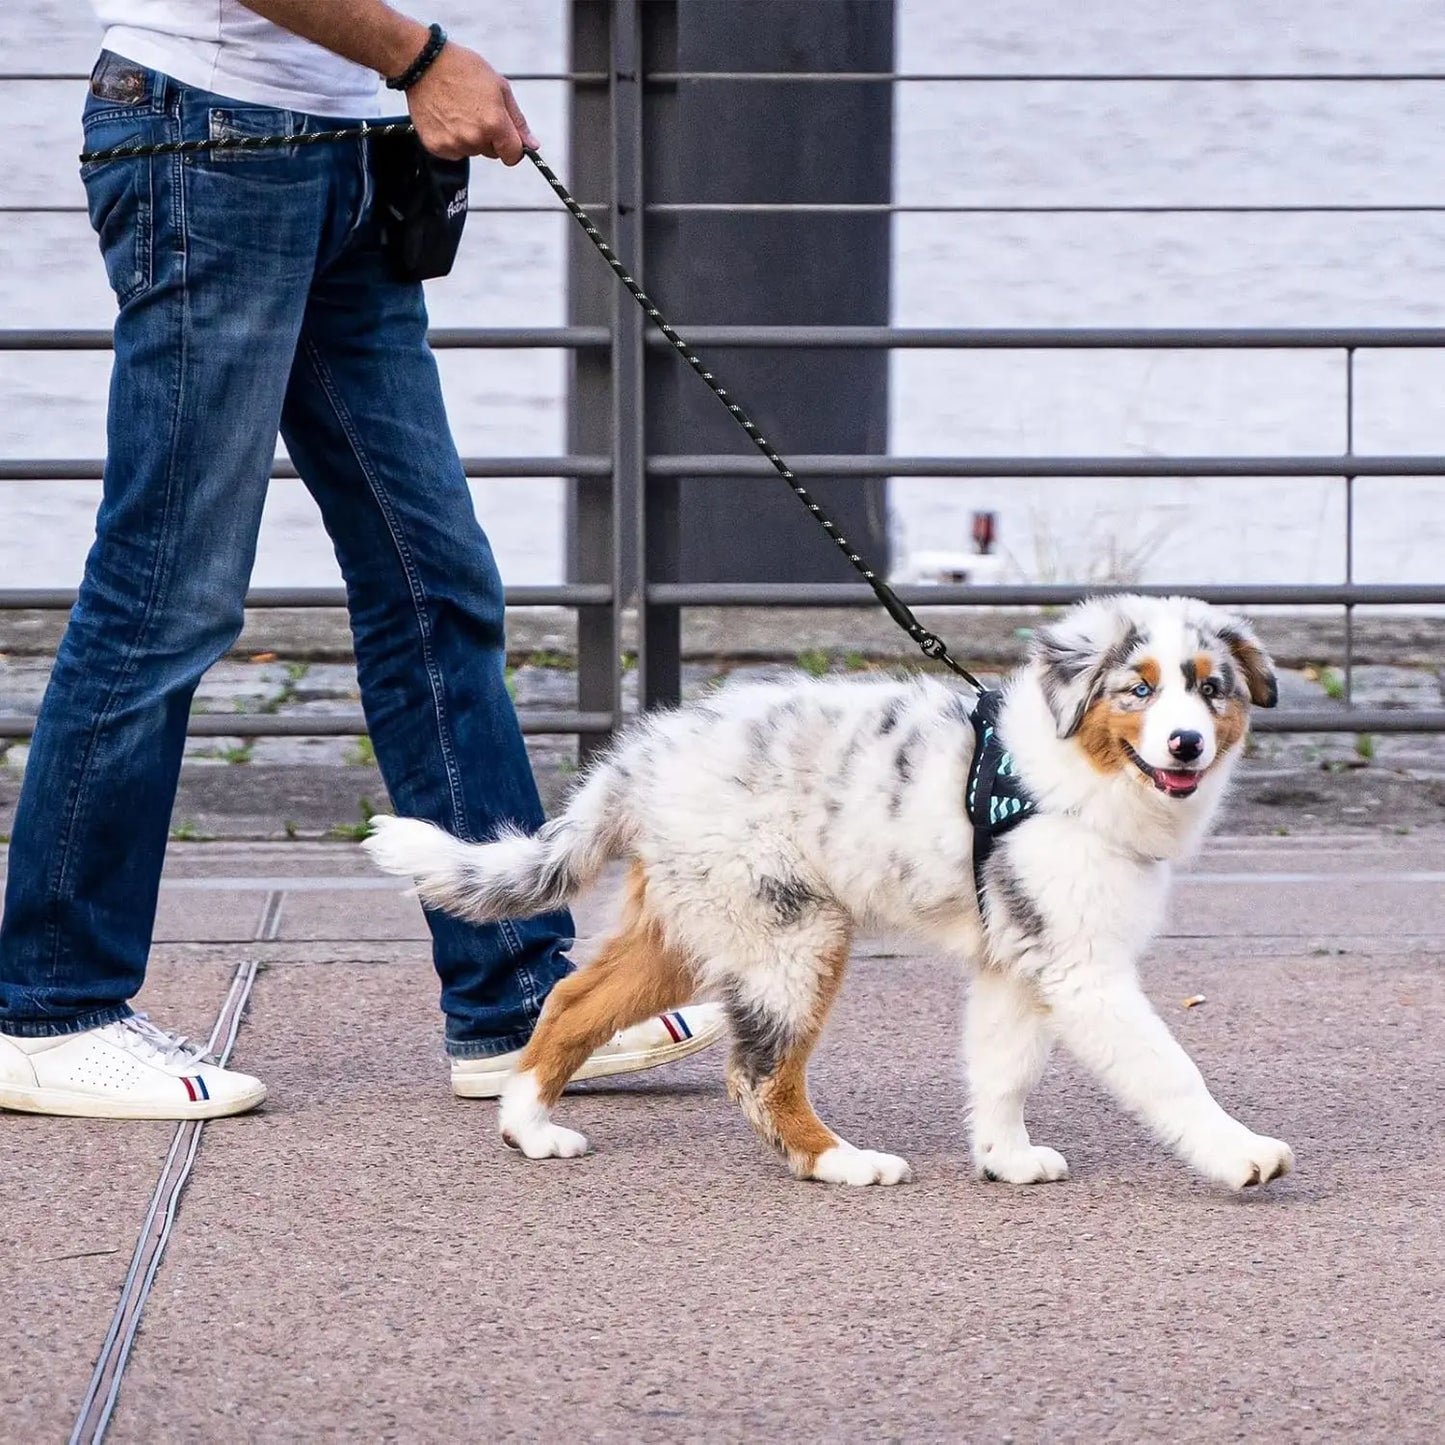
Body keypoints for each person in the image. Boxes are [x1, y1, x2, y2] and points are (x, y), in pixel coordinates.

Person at [0, 0, 722, 1119]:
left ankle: (514, 999)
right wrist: (422, 59)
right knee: (165, 593)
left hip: (344, 146)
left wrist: (402, 76)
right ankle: (50, 1009)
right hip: (211, 141)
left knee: (437, 585)